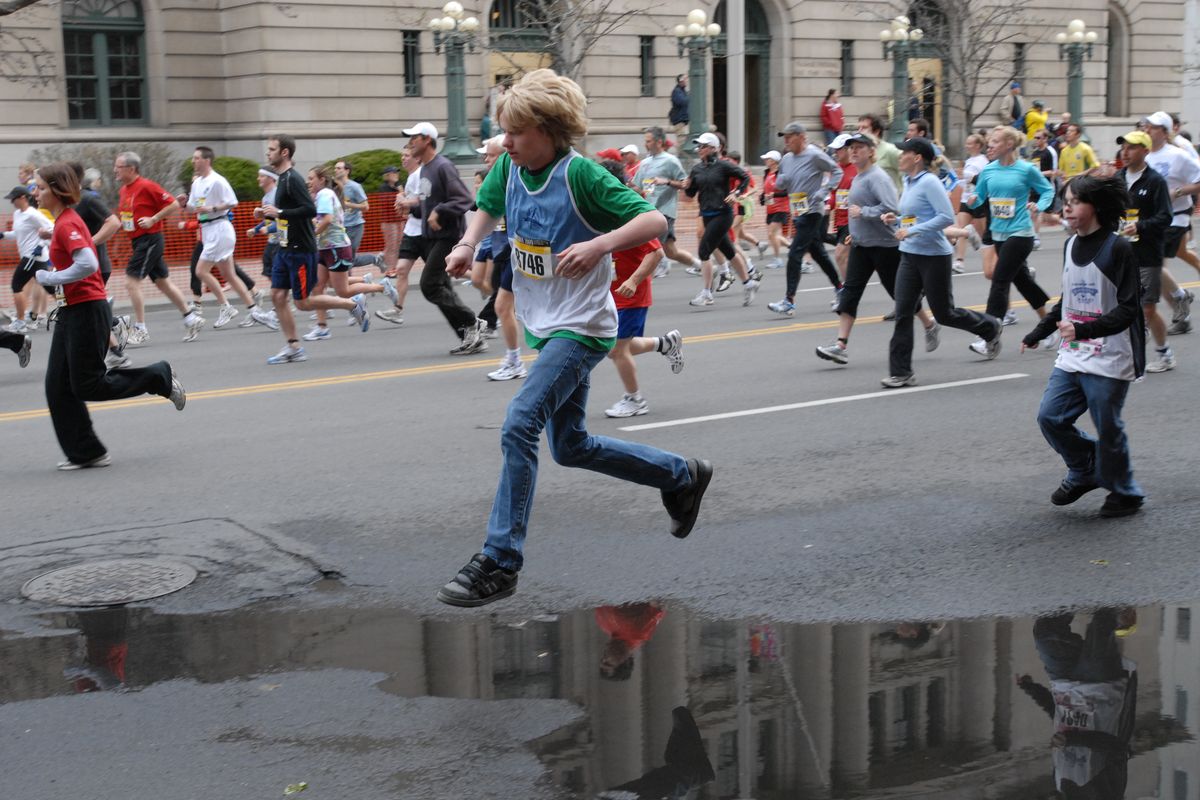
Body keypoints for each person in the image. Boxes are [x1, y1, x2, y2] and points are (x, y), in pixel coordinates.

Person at [437, 68, 712, 607]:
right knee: (570, 446)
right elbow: (486, 207)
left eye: (515, 132)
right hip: (546, 325)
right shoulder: (511, 170)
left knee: (519, 424)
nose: (506, 142)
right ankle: (681, 476)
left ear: (548, 129)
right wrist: (468, 244)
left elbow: (653, 222)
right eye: (504, 132)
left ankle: (500, 560)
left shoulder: (581, 175)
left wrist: (600, 245)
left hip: (582, 328)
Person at [32, 162, 185, 470]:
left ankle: (158, 376)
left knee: (88, 385)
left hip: (87, 309)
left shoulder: (67, 223)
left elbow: (87, 263)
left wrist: (52, 278)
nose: (35, 193)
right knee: (57, 386)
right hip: (72, 309)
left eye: (40, 187)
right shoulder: (62, 222)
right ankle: (87, 452)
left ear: (57, 191)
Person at [1021, 173, 1145, 517]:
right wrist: (1039, 331)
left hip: (1111, 353)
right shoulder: (1070, 244)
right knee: (1050, 416)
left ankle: (1126, 493)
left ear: (1097, 207)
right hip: (1074, 352)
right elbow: (1068, 298)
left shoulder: (1117, 247)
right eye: (1067, 200)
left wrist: (1084, 329)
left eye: (1075, 201)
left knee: (1108, 425)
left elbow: (1129, 309)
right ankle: (1087, 466)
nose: (1067, 207)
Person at [882, 137, 1002, 387]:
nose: (899, 156)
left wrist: (913, 230)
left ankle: (990, 327)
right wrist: (897, 220)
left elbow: (946, 217)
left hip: (934, 257)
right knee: (904, 312)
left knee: (944, 314)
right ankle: (901, 372)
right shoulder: (907, 180)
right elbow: (913, 217)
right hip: (909, 254)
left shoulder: (929, 182)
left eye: (904, 152)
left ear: (917, 158)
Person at [816, 133, 939, 365]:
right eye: (851, 147)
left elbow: (891, 208)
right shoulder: (858, 176)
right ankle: (841, 345)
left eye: (859, 148)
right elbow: (857, 210)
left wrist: (864, 213)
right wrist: (856, 231)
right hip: (862, 246)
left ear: (871, 152)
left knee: (899, 295)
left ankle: (929, 324)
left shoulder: (877, 177)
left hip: (885, 246)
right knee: (850, 293)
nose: (854, 151)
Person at [258, 134, 362, 364]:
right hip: (285, 247)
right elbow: (285, 213)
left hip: (301, 249)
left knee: (302, 302)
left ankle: (351, 304)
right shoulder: (282, 179)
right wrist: (267, 213)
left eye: (272, 149)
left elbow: (307, 210)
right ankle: (294, 346)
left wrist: (280, 213)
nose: (268, 153)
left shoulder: (292, 179)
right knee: (276, 295)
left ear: (284, 152)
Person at [595, 158, 684, 417]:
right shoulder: (604, 207)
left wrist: (633, 281)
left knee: (615, 349)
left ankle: (635, 400)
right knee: (614, 345)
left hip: (631, 292)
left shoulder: (632, 210)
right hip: (611, 290)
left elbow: (655, 253)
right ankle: (665, 344)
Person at [1019, 610, 1137, 798]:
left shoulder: (1060, 782)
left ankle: (1074, 586)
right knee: (1100, 623)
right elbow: (1119, 749)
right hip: (1101, 687)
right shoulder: (1107, 794)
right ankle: (1118, 613)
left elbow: (1061, 719)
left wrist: (1031, 688)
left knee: (1044, 633)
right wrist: (1072, 740)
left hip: (1064, 682)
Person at [966, 126, 1055, 354]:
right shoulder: (988, 170)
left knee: (1000, 279)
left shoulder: (1026, 169)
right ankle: (1050, 324)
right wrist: (974, 200)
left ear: (1009, 144)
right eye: (990, 141)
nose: (991, 145)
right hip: (998, 233)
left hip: (1021, 233)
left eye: (995, 141)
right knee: (1023, 281)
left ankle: (988, 336)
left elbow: (1047, 191)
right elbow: (979, 201)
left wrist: (1040, 206)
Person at [403, 121, 487, 354]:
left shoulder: (443, 166)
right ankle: (471, 337)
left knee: (429, 285)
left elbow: (464, 200)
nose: (410, 142)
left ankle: (473, 322)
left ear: (427, 140)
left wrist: (439, 211)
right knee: (442, 287)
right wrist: (411, 208)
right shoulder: (425, 170)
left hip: (448, 237)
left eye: (414, 137)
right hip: (432, 237)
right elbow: (425, 206)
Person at [113, 151, 206, 344]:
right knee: (163, 282)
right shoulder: (124, 189)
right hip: (138, 240)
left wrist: (153, 219)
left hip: (150, 239)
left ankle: (140, 328)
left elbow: (172, 204)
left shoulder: (147, 186)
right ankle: (191, 317)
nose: (115, 170)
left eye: (119, 167)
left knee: (131, 282)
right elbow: (128, 216)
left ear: (131, 169)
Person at [181, 146, 271, 330]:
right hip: (208, 230)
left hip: (220, 228)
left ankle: (225, 306)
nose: (193, 161)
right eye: (193, 158)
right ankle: (254, 310)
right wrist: (184, 205)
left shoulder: (217, 181)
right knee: (228, 274)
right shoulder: (197, 183)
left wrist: (212, 208)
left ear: (207, 160)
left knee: (200, 271)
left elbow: (233, 202)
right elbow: (193, 208)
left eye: (196, 158)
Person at [1113, 131, 1174, 373]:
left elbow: (1165, 216)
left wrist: (1139, 226)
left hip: (1147, 254)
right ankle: (1164, 351)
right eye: (1124, 148)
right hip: (1121, 253)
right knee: (1122, 306)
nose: (1125, 152)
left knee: (1146, 308)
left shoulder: (1155, 181)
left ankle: (1155, 353)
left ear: (1145, 151)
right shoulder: (1118, 179)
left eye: (1132, 148)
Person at [768, 121, 842, 316]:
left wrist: (824, 190)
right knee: (818, 253)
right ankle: (840, 288)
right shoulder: (786, 158)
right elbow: (782, 183)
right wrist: (780, 182)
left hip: (813, 211)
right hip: (798, 211)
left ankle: (789, 300)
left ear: (801, 137)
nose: (786, 141)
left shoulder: (815, 155)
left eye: (789, 137)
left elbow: (837, 171)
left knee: (794, 253)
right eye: (784, 137)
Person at [298, 165, 375, 341]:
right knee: (318, 287)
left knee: (342, 290)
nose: (308, 182)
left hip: (336, 247)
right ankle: (322, 327)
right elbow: (319, 218)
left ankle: (380, 288)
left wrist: (310, 235)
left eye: (311, 178)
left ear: (321, 180)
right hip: (324, 248)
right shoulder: (320, 196)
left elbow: (326, 219)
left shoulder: (325, 194)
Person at [682, 132, 760, 307]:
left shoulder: (724, 166)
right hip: (706, 214)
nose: (699, 149)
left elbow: (745, 177)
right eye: (699, 146)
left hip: (723, 214)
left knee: (703, 251)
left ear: (713, 148)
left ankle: (707, 293)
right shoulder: (697, 169)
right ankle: (749, 283)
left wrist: (736, 193)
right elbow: (690, 194)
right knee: (729, 251)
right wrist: (685, 187)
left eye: (703, 146)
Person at [1141, 110, 1200, 336]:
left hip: (1176, 217)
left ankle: (1179, 300)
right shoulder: (1144, 156)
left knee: (1153, 265)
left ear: (1164, 132)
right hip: (1152, 218)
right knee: (1156, 269)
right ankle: (1181, 308)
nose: (1147, 129)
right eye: (1146, 126)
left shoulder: (1177, 155)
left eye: (1153, 127)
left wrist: (1179, 191)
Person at [632, 126, 702, 277]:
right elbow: (637, 188)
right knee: (671, 251)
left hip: (665, 211)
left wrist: (666, 182)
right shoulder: (644, 163)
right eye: (645, 141)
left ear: (659, 142)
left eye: (649, 141)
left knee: (649, 246)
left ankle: (652, 271)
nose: (646, 144)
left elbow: (685, 183)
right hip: (650, 210)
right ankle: (700, 266)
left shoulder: (671, 161)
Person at [375, 147, 424, 325]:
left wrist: (404, 200)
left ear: (417, 158)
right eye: (402, 155)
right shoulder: (410, 177)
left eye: (406, 155)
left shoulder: (422, 174)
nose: (402, 159)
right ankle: (397, 310)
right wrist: (403, 200)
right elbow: (408, 205)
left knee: (445, 272)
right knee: (402, 270)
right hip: (411, 230)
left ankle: (479, 281)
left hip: (426, 232)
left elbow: (425, 199)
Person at [1, 185, 53, 333]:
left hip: (33, 256)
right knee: (49, 287)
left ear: (23, 198)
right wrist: (3, 235)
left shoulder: (33, 214)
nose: (12, 202)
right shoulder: (18, 214)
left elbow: (52, 228)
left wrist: (41, 244)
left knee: (16, 284)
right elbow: (17, 233)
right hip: (31, 257)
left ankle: (20, 321)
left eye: (13, 199)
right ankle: (73, 308)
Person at [758, 149, 791, 268]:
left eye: (768, 159)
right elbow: (766, 190)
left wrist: (774, 195)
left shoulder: (781, 174)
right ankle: (791, 247)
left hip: (781, 207)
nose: (766, 161)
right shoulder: (767, 173)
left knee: (772, 233)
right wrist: (762, 197)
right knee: (773, 235)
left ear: (774, 161)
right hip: (770, 207)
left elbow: (787, 192)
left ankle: (777, 260)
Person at [857, 114, 902, 192]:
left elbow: (907, 176)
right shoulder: (861, 152)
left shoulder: (891, 150)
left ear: (876, 131)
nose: (859, 131)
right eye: (859, 128)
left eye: (864, 128)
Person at [668, 74, 689, 140]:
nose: (687, 81)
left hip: (683, 121)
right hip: (680, 121)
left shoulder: (682, 91)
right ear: (681, 81)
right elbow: (682, 102)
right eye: (685, 79)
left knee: (683, 140)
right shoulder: (677, 91)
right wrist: (690, 96)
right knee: (682, 140)